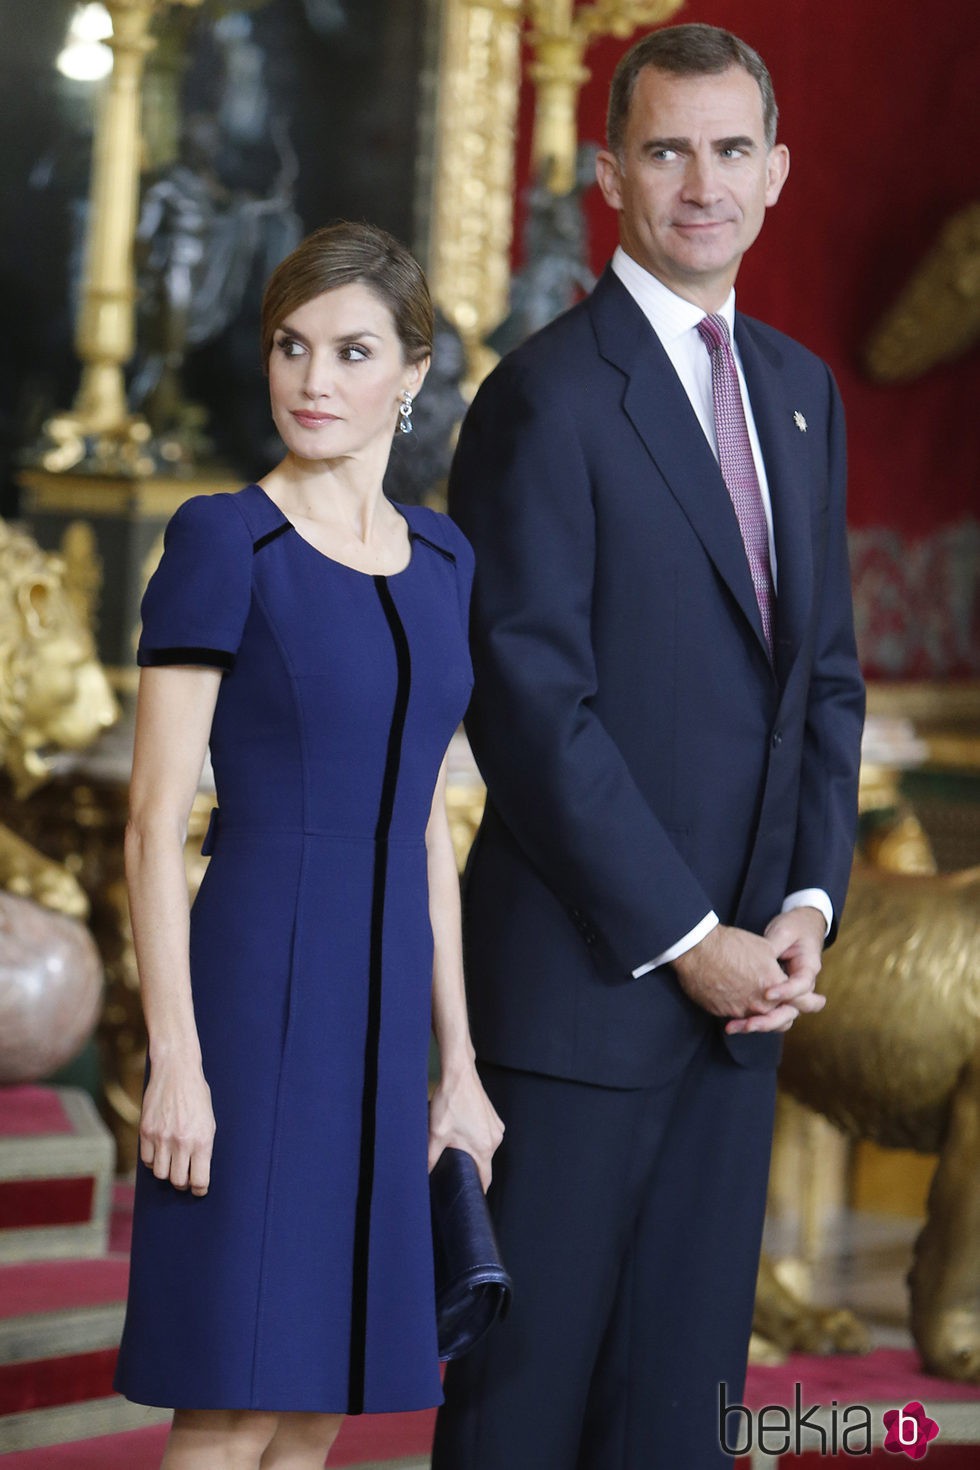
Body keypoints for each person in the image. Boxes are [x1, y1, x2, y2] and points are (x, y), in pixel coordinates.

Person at [432, 23, 865, 1470]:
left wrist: (804, 907)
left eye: (732, 149)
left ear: (778, 172)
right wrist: (691, 936)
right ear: (609, 170)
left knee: (681, 1421)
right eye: (668, 148)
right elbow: (530, 702)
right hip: (579, 1010)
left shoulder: (803, 394)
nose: (702, 182)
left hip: (743, 1018)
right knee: (523, 1419)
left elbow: (824, 682)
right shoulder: (544, 398)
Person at [113, 221, 504, 1470]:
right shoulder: (224, 538)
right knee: (231, 1402)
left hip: (386, 1022)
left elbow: (431, 827)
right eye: (292, 347)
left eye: (350, 351)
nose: (313, 381)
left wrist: (461, 1065)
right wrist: (173, 1058)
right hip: (254, 1003)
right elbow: (150, 821)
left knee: (326, 1398)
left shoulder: (445, 560)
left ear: (413, 373)